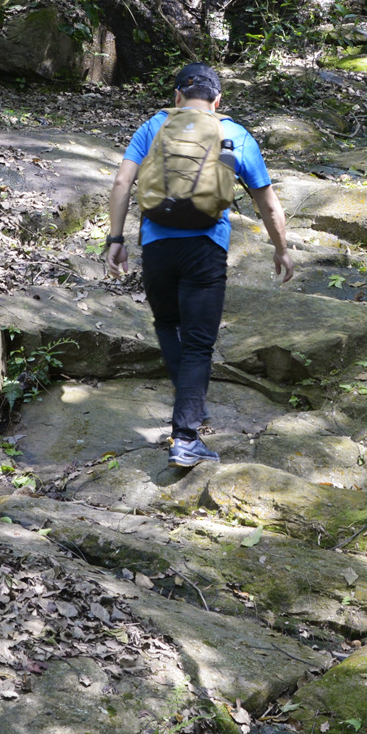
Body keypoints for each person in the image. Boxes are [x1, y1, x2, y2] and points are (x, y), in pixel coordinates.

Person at [103, 62, 295, 468]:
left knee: (166, 324)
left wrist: (115, 240)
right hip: (205, 247)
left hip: (157, 247)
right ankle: (186, 437)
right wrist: (281, 248)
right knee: (198, 344)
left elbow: (122, 184)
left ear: (176, 96)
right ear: (217, 100)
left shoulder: (155, 125)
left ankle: (188, 406)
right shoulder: (234, 133)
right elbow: (267, 201)